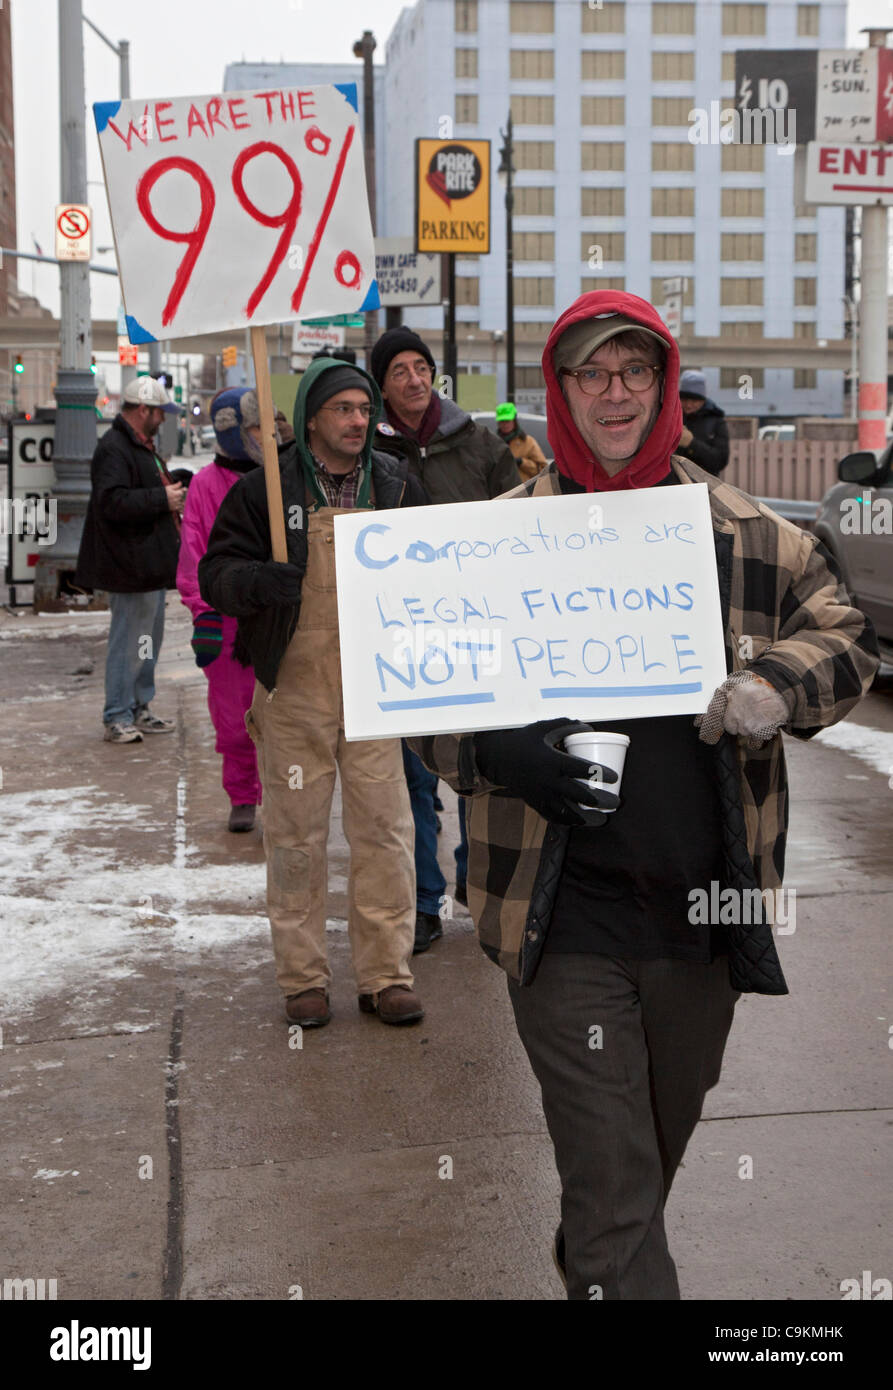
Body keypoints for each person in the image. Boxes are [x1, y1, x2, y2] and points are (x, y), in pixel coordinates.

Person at [408, 289, 879, 1300]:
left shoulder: (746, 533)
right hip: (558, 917)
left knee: (634, 1171)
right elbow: (419, 700)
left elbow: (845, 639)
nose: (612, 394)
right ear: (559, 391)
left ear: (662, 386)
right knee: (618, 1190)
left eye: (633, 371)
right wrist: (499, 749)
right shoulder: (495, 541)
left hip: (699, 915)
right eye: (590, 372)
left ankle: (593, 1264)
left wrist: (769, 688)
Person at [198, 356, 428, 1029]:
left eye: (364, 409)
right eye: (344, 410)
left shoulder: (393, 483)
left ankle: (386, 975)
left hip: (374, 689)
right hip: (294, 689)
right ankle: (302, 977)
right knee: (294, 837)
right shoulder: (267, 488)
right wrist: (252, 586)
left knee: (384, 833)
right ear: (311, 418)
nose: (359, 421)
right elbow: (215, 572)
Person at [370, 326, 521, 951]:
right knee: (413, 776)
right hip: (402, 636)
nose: (413, 377)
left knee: (478, 770)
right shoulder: (366, 452)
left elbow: (519, 523)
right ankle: (424, 903)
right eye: (399, 369)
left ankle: (476, 888)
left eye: (421, 366)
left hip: (476, 630)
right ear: (382, 383)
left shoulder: (480, 445)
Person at [75, 375, 183, 743]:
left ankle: (139, 706)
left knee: (146, 642)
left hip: (146, 566)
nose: (163, 419)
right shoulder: (115, 448)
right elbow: (112, 502)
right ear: (143, 410)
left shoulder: (138, 446)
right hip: (129, 566)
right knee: (129, 643)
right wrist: (162, 499)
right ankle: (117, 714)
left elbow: (136, 490)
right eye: (159, 412)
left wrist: (171, 486)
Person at [176, 389, 264, 833]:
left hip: (274, 613)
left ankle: (284, 791)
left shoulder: (279, 477)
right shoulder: (206, 486)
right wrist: (203, 612)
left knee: (284, 717)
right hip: (225, 620)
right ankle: (243, 795)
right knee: (233, 720)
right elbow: (193, 552)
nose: (261, 436)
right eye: (253, 428)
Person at [676, 367, 730, 475]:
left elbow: (720, 461)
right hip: (673, 482)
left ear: (703, 399)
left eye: (694, 400)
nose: (688, 405)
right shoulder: (671, 416)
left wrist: (691, 443)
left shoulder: (716, 421)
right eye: (684, 399)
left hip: (705, 484)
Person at [495, 401, 548, 480]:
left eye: (507, 421)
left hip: (523, 491)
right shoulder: (493, 442)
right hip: (500, 491)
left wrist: (522, 462)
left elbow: (543, 470)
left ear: (514, 420)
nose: (505, 424)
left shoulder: (528, 442)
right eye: (502, 421)